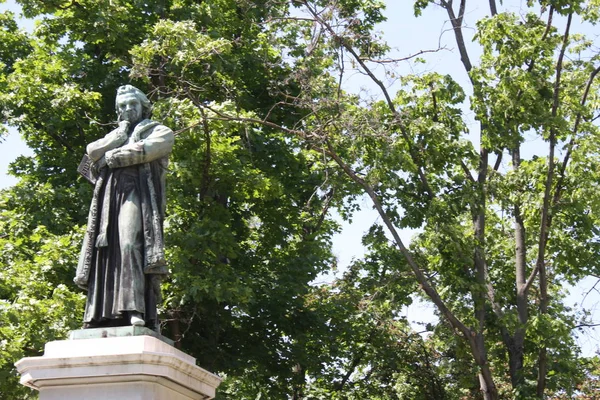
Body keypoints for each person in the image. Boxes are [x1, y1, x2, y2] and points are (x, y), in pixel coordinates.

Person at [74, 85, 174, 331]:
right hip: (109, 197)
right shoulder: (113, 136)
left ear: (143, 106)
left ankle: (135, 309)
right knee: (105, 252)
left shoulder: (159, 130)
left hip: (136, 195)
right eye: (123, 106)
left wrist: (110, 156)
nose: (128, 109)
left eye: (133, 104)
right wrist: (114, 140)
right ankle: (98, 316)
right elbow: (86, 166)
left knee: (129, 244)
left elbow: (146, 150)